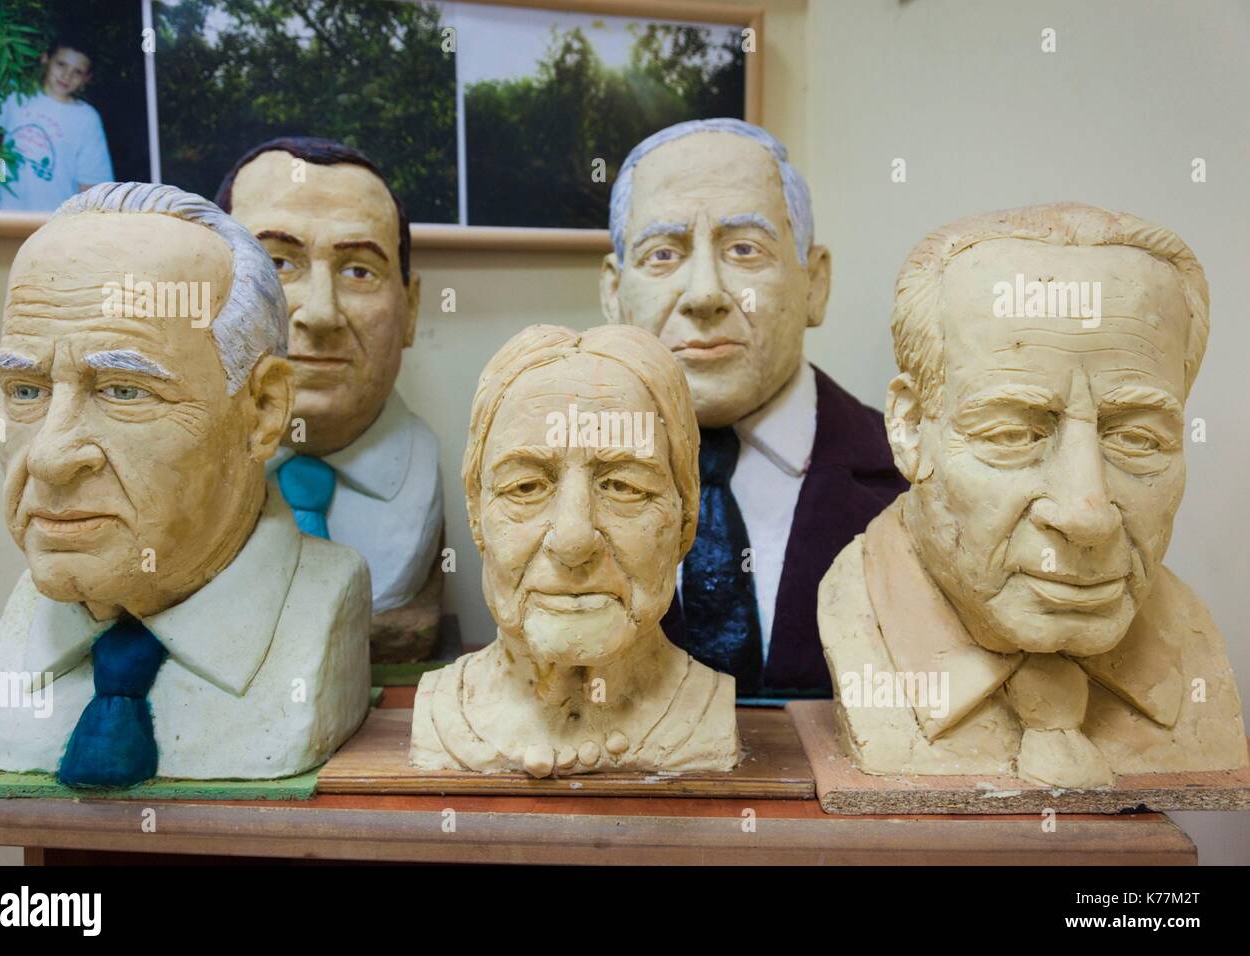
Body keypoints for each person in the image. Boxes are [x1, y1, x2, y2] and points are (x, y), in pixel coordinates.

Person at [820, 202, 1247, 787]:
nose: (1086, 513)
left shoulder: (1194, 662)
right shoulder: (857, 622)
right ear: (911, 428)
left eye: (1138, 437)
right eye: (1012, 434)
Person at [0, 183, 370, 786]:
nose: (51, 456)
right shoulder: (18, 635)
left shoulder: (322, 611)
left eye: (123, 391)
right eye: (27, 391)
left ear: (261, 410)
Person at [600, 118, 906, 698]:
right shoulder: (555, 488)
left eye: (744, 249)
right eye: (663, 254)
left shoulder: (915, 483)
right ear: (614, 293)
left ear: (814, 284)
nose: (705, 294)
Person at [410, 325, 739, 777]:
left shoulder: (714, 713)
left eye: (624, 486)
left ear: (687, 513)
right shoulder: (440, 710)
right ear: (476, 511)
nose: (573, 539)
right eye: (525, 487)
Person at [216, 137, 444, 664]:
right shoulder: (172, 477)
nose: (320, 313)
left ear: (409, 310)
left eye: (359, 270)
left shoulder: (433, 479)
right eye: (277, 263)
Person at [0, 34, 114, 212]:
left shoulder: (86, 118)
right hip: (5, 212)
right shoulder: (14, 94)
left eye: (77, 72)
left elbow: (91, 185)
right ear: (45, 58)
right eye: (61, 64)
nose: (67, 76)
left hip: (54, 221)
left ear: (87, 78)